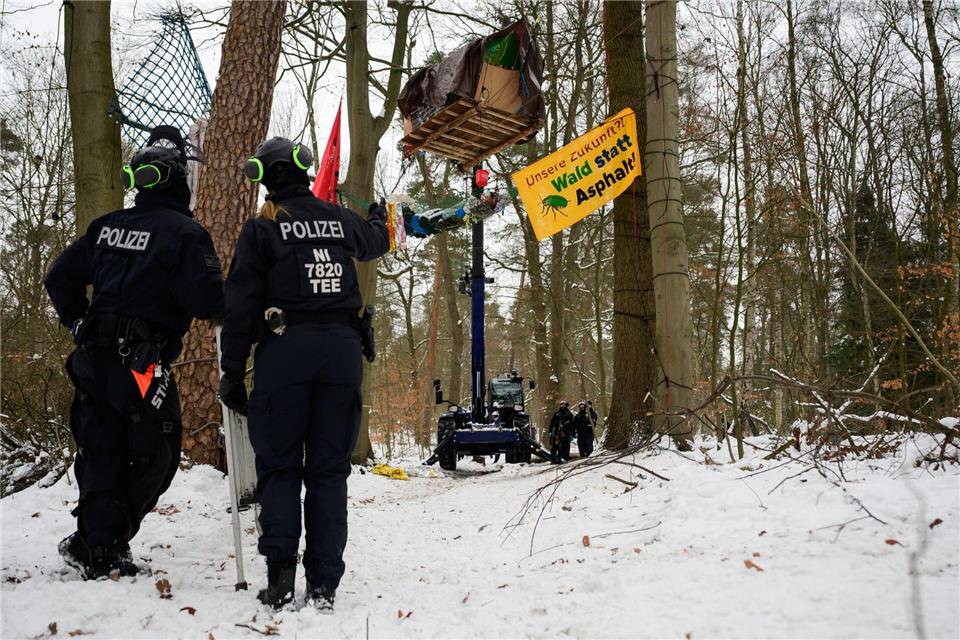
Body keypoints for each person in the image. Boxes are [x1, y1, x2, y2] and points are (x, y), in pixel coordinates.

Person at [44, 126, 225, 580]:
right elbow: (206, 302)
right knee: (158, 453)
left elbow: (59, 278)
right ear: (177, 179)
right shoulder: (184, 233)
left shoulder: (105, 227)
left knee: (99, 449)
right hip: (140, 363)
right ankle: (100, 543)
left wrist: (78, 320)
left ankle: (96, 544)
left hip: (92, 358)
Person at [218, 137, 389, 612]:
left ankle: (278, 580)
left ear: (265, 178)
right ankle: (323, 586)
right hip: (341, 352)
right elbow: (375, 242)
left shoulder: (263, 228)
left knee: (280, 468)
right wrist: (376, 216)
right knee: (329, 471)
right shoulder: (337, 218)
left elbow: (240, 306)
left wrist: (232, 372)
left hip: (285, 352)